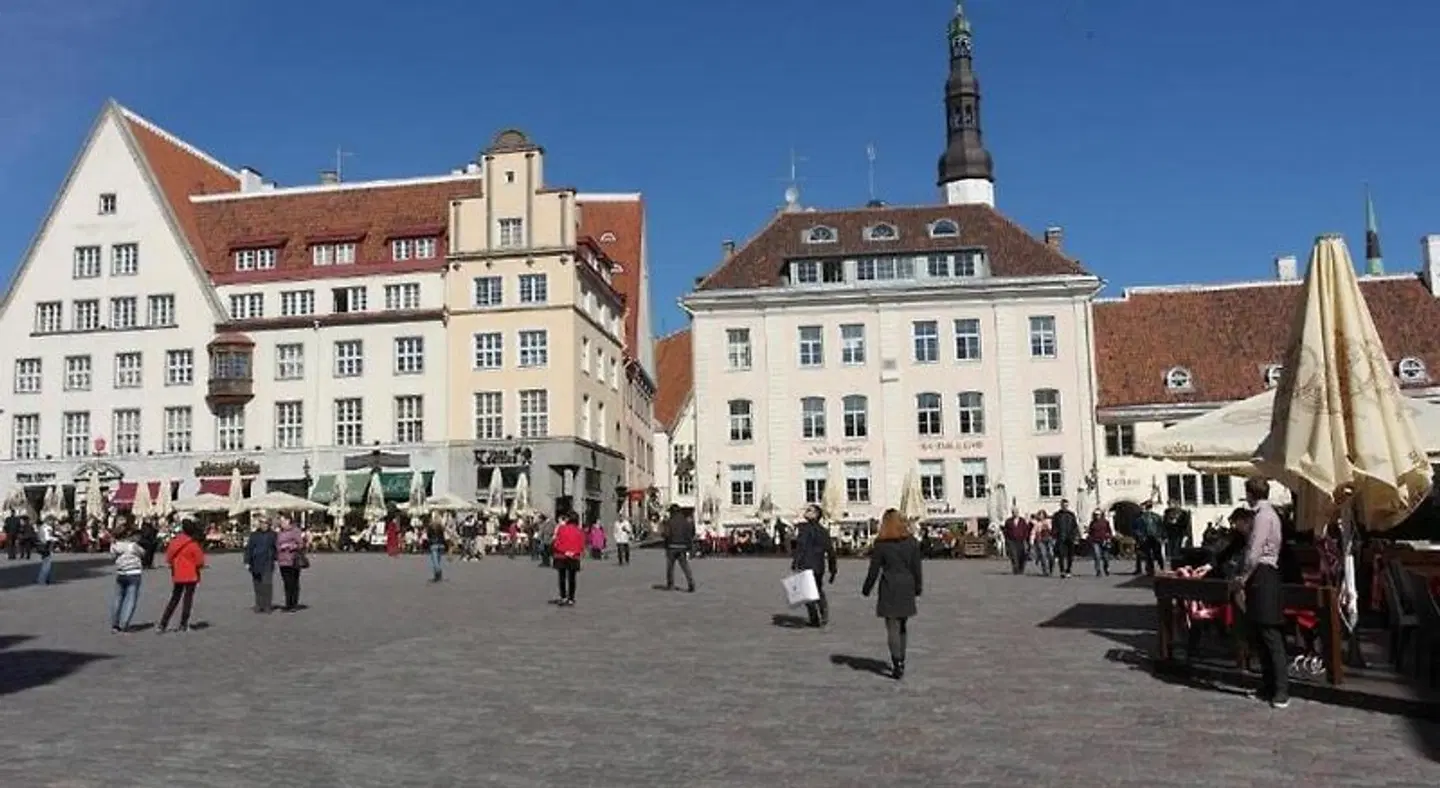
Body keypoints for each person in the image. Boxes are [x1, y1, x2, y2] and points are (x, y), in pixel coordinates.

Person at [1231, 478, 1288, 709]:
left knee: (1270, 634)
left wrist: (1242, 577)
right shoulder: (1267, 513)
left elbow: (1254, 550)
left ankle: (1281, 690)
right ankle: (1268, 686)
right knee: (1261, 635)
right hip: (1263, 573)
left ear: (1250, 493)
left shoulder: (1263, 516)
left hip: (1263, 573)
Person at [861, 509, 923, 679]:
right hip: (907, 585)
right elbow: (917, 569)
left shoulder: (882, 545)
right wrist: (918, 587)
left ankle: (897, 662)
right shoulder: (912, 543)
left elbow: (874, 570)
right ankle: (901, 657)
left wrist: (867, 588)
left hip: (889, 585)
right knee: (903, 625)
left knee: (892, 626)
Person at [791, 504, 838, 628]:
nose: (806, 512)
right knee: (816, 589)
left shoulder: (805, 529)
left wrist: (795, 563)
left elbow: (800, 548)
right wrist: (833, 569)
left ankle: (816, 618)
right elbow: (830, 551)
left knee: (808, 593)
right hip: (818, 566)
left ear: (816, 515)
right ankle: (822, 614)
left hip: (807, 564)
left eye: (809, 510)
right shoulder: (822, 531)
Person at [158, 521, 206, 633]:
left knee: (174, 599)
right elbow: (200, 561)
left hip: (178, 574)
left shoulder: (174, 542)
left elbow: (168, 559)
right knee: (187, 599)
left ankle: (163, 623)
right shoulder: (193, 544)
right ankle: (183, 624)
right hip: (191, 575)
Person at [108, 524, 145, 633]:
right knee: (131, 599)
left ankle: (115, 624)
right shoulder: (132, 546)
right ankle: (124, 623)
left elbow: (112, 557)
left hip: (121, 573)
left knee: (118, 599)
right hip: (134, 573)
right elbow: (143, 553)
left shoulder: (115, 545)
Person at [243, 518, 278, 613]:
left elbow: (276, 548)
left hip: (267, 562)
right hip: (255, 562)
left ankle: (267, 605)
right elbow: (249, 549)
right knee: (257, 585)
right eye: (262, 523)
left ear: (269, 524)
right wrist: (246, 561)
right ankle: (259, 604)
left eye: (266, 523)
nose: (264, 525)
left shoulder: (273, 535)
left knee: (267, 584)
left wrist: (276, 557)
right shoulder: (254, 535)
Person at [661, 505, 696, 592]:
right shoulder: (685, 521)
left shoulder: (669, 522)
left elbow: (666, 534)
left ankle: (671, 585)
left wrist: (664, 536)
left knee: (670, 567)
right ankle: (691, 582)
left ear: (672, 512)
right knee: (685, 566)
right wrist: (689, 547)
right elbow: (690, 534)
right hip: (682, 547)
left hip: (671, 546)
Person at [552, 513, 584, 606]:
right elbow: (581, 545)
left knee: (562, 577)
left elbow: (556, 543)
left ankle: (563, 597)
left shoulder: (561, 529)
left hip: (561, 556)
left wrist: (565, 551)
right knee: (572, 578)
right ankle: (571, 598)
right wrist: (573, 552)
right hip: (574, 557)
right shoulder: (579, 531)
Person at [276, 517, 307, 612]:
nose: (280, 523)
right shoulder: (279, 532)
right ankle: (288, 604)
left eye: (282, 521)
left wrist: (290, 546)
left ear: (288, 521)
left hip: (293, 560)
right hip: (282, 560)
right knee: (286, 583)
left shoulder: (295, 531)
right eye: (280, 521)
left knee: (293, 582)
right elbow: (276, 544)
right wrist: (279, 548)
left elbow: (301, 544)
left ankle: (293, 604)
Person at [1051, 499, 1080, 578]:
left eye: (1066, 505)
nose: (1065, 507)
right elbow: (1054, 526)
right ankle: (1062, 571)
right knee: (1061, 555)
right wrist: (1054, 536)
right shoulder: (1057, 515)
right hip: (1060, 537)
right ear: (1061, 505)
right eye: (1064, 505)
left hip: (1070, 537)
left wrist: (1076, 536)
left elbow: (1075, 526)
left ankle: (1068, 570)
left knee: (1070, 555)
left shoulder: (1071, 514)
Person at [1134, 501, 1163, 576]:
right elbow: (1136, 529)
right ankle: (1150, 570)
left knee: (1157, 554)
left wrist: (1161, 536)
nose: (1146, 510)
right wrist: (1141, 536)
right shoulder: (1140, 518)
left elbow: (1161, 527)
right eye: (1145, 508)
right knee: (1148, 554)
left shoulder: (1156, 517)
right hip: (1145, 538)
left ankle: (1161, 567)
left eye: (1147, 508)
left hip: (1155, 537)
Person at [1002, 509, 1030, 575]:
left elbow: (1026, 530)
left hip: (1021, 540)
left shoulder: (1022, 521)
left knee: (1021, 555)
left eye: (1016, 512)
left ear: (1018, 513)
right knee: (1014, 555)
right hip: (1011, 541)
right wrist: (1007, 539)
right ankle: (1016, 569)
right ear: (1012, 513)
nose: (1015, 513)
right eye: (1014, 512)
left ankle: (1021, 568)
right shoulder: (1008, 521)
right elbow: (1005, 531)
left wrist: (1025, 538)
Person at [1087, 509, 1113, 577]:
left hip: (1104, 541)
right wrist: (1090, 538)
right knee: (1097, 556)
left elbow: (1109, 531)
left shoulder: (1105, 522)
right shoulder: (1092, 523)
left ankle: (1106, 568)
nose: (1097, 516)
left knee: (1105, 557)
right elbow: (1090, 532)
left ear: (1101, 515)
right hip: (1095, 541)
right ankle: (1098, 570)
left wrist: (1108, 538)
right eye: (1095, 515)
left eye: (1098, 514)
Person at [35, 516, 57, 585]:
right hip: (46, 546)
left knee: (45, 563)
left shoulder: (42, 527)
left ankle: (44, 579)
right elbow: (47, 538)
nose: (53, 523)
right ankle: (42, 579)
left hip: (41, 546)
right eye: (53, 521)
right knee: (47, 564)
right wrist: (56, 539)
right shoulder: (48, 527)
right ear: (49, 521)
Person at [1032, 511, 1054, 576]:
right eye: (1040, 515)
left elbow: (1052, 529)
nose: (1041, 517)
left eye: (1042, 515)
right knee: (1043, 554)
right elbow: (1033, 532)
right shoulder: (1037, 523)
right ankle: (1045, 571)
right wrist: (1032, 540)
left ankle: (1051, 568)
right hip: (1041, 540)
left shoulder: (1049, 521)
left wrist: (1047, 525)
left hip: (1049, 539)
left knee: (1051, 554)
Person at [425, 517, 447, 582]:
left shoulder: (430, 527)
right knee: (438, 560)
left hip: (433, 544)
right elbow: (443, 537)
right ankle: (438, 576)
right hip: (441, 545)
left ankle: (438, 573)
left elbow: (428, 536)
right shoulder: (441, 527)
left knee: (435, 561)